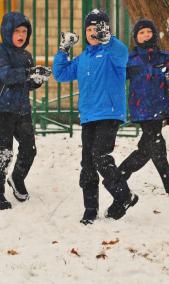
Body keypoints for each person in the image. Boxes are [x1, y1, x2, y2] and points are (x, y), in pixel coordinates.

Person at [53, 9, 138, 225]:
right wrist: (64, 49)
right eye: (89, 29)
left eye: (97, 29)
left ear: (106, 30)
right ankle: (90, 209)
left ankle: (123, 195)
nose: (93, 33)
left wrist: (108, 40)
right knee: (88, 163)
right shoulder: (83, 59)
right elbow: (60, 74)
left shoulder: (112, 52)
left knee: (100, 156)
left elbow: (122, 54)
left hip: (109, 114)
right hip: (88, 116)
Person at [118, 18, 169, 202]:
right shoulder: (131, 59)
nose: (145, 35)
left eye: (148, 32)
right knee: (157, 146)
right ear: (136, 37)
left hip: (159, 107)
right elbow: (118, 79)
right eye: (141, 33)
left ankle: (118, 176)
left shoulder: (164, 57)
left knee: (147, 149)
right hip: (141, 109)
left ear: (154, 34)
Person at [0, 12, 51, 210]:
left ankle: (17, 177)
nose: (21, 35)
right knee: (4, 151)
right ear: (7, 32)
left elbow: (26, 83)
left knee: (29, 149)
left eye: (24, 31)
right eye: (17, 31)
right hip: (2, 108)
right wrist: (29, 73)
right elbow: (6, 75)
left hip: (21, 108)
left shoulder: (26, 56)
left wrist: (36, 80)